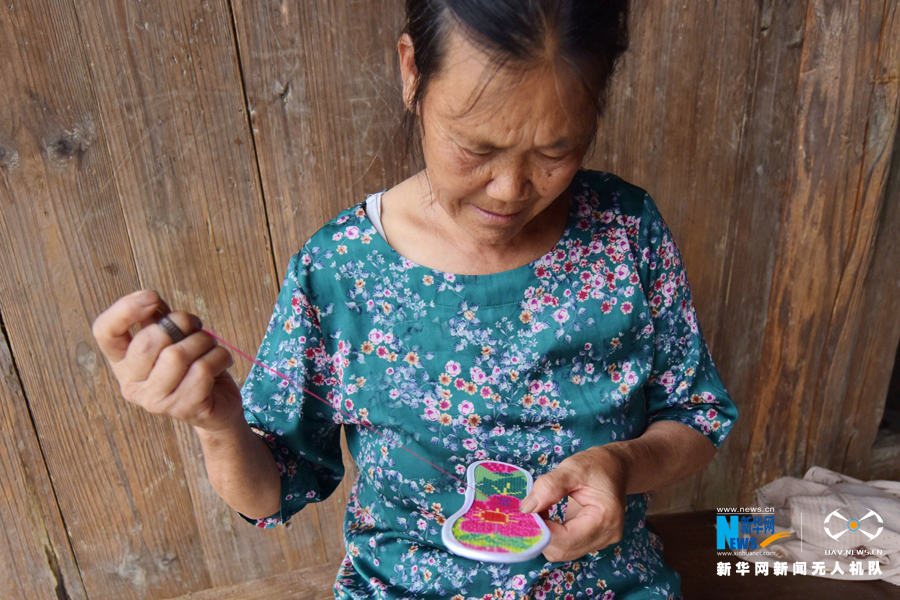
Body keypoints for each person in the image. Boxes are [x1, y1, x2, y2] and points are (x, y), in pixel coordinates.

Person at [92, 0, 738, 598]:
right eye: (476, 147)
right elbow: (271, 492)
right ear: (411, 72)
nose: (510, 189)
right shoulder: (339, 271)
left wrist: (621, 464)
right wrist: (218, 422)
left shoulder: (625, 231)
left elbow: (696, 421)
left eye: (555, 151)